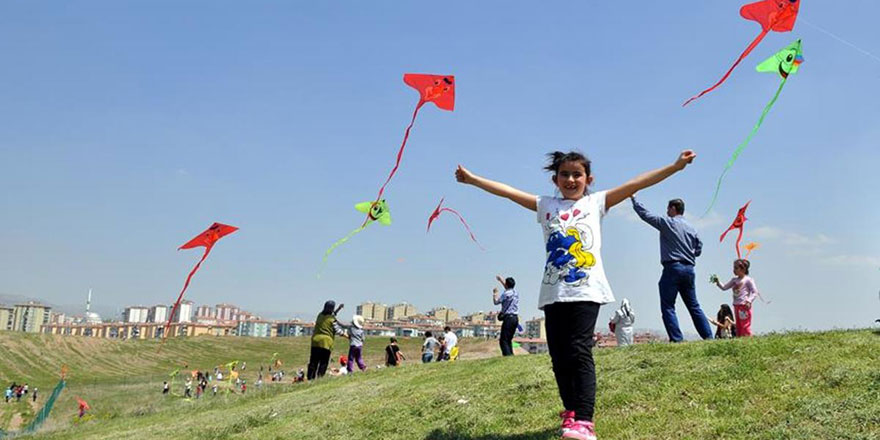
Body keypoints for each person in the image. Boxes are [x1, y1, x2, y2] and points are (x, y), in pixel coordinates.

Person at [456, 149, 698, 440]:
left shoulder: (596, 202)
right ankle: (571, 411)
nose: (571, 179)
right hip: (553, 291)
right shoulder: (545, 204)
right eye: (564, 174)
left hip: (587, 289)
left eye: (577, 174)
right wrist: (472, 180)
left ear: (588, 178)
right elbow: (508, 192)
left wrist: (675, 167)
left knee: (578, 351)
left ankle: (585, 421)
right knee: (558, 356)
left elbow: (636, 184)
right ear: (555, 179)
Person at [631, 195, 713, 342]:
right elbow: (699, 249)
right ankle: (708, 337)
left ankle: (677, 339)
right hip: (689, 269)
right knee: (694, 305)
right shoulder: (692, 228)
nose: (666, 211)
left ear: (673, 208)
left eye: (668, 208)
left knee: (668, 306)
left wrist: (634, 199)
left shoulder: (666, 222)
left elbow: (645, 215)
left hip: (672, 267)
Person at [713, 259, 760, 337]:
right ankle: (740, 338)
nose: (734, 270)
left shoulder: (748, 280)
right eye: (734, 268)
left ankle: (747, 338)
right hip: (736, 305)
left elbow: (754, 292)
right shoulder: (734, 280)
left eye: (736, 268)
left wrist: (749, 301)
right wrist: (718, 282)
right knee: (738, 325)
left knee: (744, 324)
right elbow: (724, 287)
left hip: (744, 305)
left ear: (743, 269)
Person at [307, 300, 346, 380]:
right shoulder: (332, 319)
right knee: (323, 362)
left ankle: (310, 378)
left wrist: (339, 309)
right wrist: (347, 336)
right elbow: (338, 330)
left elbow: (331, 314)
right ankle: (320, 378)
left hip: (315, 341)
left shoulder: (320, 315)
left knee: (313, 361)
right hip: (326, 343)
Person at [493, 274, 520, 356]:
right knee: (509, 339)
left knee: (503, 340)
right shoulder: (516, 293)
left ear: (507, 284)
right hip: (515, 318)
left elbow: (496, 302)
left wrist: (495, 293)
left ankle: (507, 356)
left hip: (508, 318)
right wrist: (501, 280)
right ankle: (510, 355)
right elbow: (507, 287)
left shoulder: (505, 294)